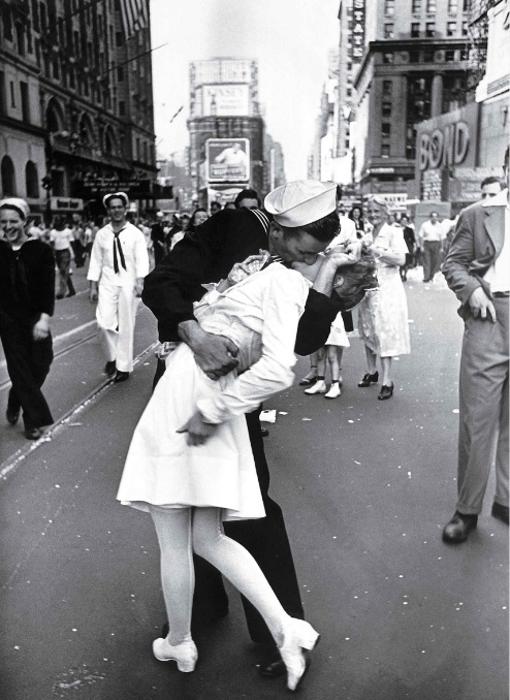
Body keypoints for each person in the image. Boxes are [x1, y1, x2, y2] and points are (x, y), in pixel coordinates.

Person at [119, 181, 356, 690]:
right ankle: (200, 612)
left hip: (230, 392)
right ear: (280, 226)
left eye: (314, 251)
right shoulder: (230, 227)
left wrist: (331, 297)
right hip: (193, 370)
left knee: (245, 508)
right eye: (297, 244)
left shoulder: (304, 266)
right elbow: (162, 283)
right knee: (195, 520)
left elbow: (302, 341)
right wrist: (194, 332)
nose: (301, 255)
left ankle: (271, 632)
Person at [441, 147, 509, 544]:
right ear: (506, 171)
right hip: (489, 318)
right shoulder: (478, 215)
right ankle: (466, 511)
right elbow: (453, 263)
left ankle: (506, 500)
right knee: (477, 421)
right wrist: (471, 291)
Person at [0, 198, 55, 440]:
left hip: (34, 317)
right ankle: (33, 421)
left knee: (42, 363)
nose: (8, 226)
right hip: (7, 320)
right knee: (19, 367)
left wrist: (44, 319)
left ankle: (16, 397)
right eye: (3, 222)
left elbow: (46, 287)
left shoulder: (41, 251)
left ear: (25, 222)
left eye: (13, 221)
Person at [87, 192, 149, 383]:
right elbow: (96, 261)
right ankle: (112, 358)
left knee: (126, 325)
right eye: (112, 207)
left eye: (119, 207)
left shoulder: (135, 234)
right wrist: (93, 286)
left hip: (128, 283)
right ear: (108, 210)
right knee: (103, 323)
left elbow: (142, 259)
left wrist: (140, 283)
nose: (116, 210)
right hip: (107, 282)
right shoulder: (102, 234)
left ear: (125, 209)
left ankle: (123, 367)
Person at [357, 196, 410, 400]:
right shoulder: (368, 234)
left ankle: (387, 380)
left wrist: (377, 252)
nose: (372, 215)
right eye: (369, 212)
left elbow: (401, 259)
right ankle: (372, 371)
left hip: (387, 289)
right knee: (368, 329)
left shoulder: (394, 232)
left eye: (377, 212)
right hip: (368, 288)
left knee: (384, 331)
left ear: (386, 213)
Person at [49, 216, 76, 299]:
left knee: (63, 271)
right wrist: (52, 254)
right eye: (56, 222)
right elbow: (52, 243)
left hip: (65, 252)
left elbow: (72, 243)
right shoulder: (53, 232)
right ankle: (72, 290)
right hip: (57, 252)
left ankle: (61, 292)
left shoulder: (68, 231)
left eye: (59, 222)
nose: (57, 224)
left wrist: (73, 254)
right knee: (63, 272)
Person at [417, 211, 444, 283]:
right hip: (427, 244)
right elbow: (420, 236)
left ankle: (432, 276)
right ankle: (426, 277)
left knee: (435, 261)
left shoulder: (440, 226)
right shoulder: (425, 225)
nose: (434, 218)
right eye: (433, 216)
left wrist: (442, 247)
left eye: (436, 217)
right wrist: (421, 246)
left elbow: (442, 238)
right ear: (430, 217)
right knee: (426, 261)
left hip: (436, 244)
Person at [399, 213, 416, 282]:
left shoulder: (409, 229)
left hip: (407, 247)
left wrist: (413, 247)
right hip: (399, 246)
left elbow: (413, 239)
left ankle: (405, 275)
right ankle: (400, 274)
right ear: (400, 222)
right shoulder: (397, 229)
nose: (404, 222)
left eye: (405, 221)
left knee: (406, 262)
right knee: (400, 262)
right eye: (403, 221)